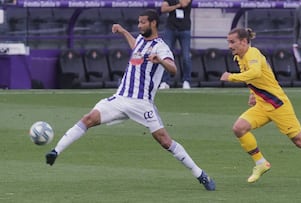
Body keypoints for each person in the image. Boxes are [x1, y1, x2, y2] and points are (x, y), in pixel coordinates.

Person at [45, 9, 215, 191]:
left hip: (142, 103)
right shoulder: (141, 40)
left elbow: (173, 69)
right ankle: (56, 151)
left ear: (153, 23)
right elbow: (136, 46)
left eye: (143, 22)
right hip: (120, 98)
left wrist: (160, 60)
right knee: (88, 119)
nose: (139, 25)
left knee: (165, 141)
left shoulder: (161, 47)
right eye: (138, 22)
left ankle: (200, 174)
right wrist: (124, 31)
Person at [220, 27, 301, 188]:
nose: (230, 46)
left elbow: (256, 73)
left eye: (232, 42)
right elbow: (262, 75)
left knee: (299, 140)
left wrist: (231, 77)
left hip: (278, 104)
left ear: (244, 42)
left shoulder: (252, 54)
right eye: (228, 42)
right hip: (262, 104)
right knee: (239, 128)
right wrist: (253, 93)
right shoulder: (239, 57)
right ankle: (261, 163)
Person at [158, 0, 192, 89]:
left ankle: (186, 80)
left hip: (184, 28)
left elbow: (184, 3)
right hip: (171, 28)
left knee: (186, 56)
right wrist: (177, 5)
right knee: (166, 55)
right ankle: (165, 81)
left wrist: (172, 5)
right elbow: (163, 9)